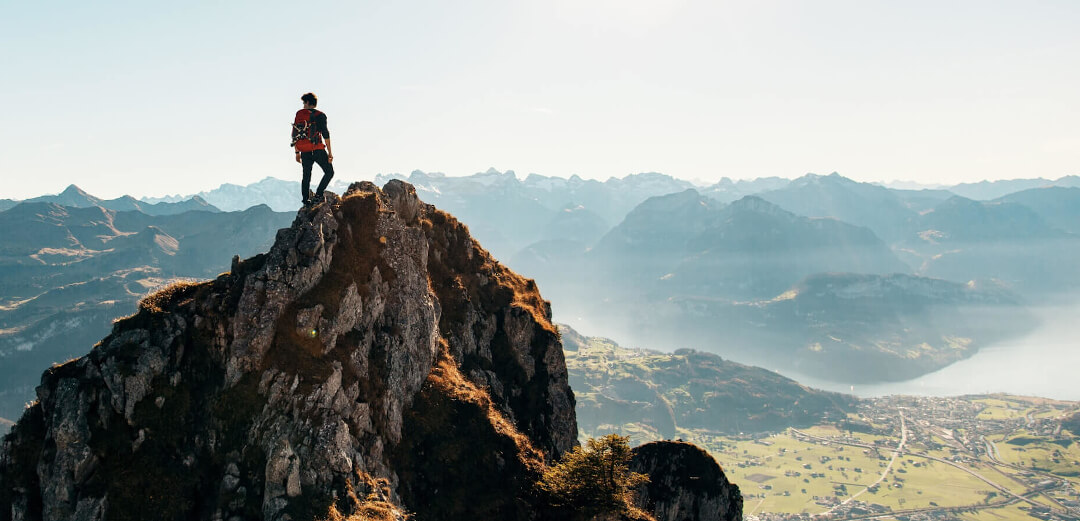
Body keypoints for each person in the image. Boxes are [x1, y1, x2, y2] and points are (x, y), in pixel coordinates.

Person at [291, 92, 334, 206]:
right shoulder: (320, 115)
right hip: (317, 149)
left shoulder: (299, 115)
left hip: (304, 151)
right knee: (329, 172)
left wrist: (297, 152)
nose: (303, 105)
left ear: (308, 102)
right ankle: (318, 195)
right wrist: (330, 153)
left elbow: (295, 134)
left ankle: (306, 200)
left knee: (306, 176)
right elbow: (325, 134)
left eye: (304, 103)